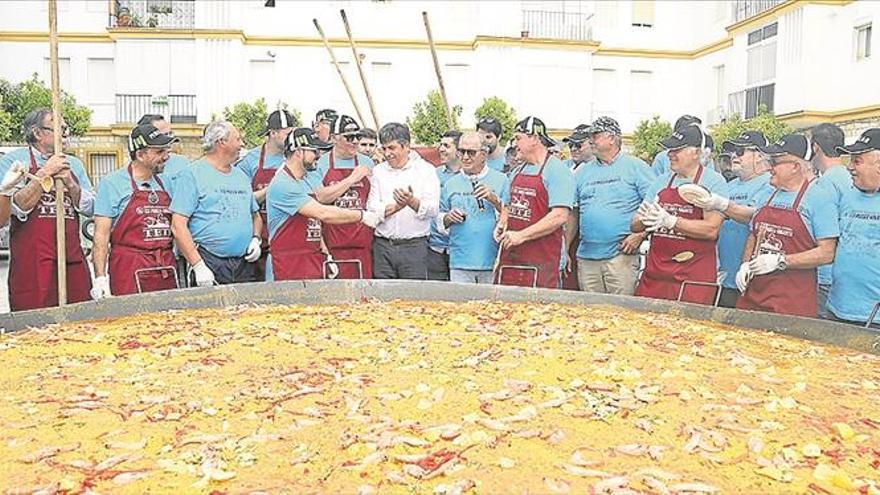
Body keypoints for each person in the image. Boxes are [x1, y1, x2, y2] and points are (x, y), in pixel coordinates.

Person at [735, 134, 839, 318]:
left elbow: (827, 253)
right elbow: (754, 234)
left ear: (795, 166)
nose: (770, 168)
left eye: (775, 162)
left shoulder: (819, 198)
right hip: (753, 296)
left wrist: (781, 261)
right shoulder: (767, 194)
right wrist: (744, 264)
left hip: (791, 303)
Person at [0, 109, 94, 311]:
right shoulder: (15, 162)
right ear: (37, 133)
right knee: (35, 318)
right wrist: (45, 173)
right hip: (32, 258)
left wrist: (71, 183)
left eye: (65, 127)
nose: (65, 132)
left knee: (80, 313)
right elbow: (17, 207)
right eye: (58, 127)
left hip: (70, 253)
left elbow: (89, 206)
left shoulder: (74, 164)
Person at [266, 128, 381, 281]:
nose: (318, 156)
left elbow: (312, 222)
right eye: (314, 151)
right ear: (299, 152)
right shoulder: (283, 184)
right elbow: (323, 213)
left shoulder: (307, 179)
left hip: (313, 257)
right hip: (289, 262)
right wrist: (362, 216)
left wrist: (326, 253)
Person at [632, 124, 729, 304]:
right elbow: (634, 224)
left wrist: (671, 221)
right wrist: (647, 220)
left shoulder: (714, 182)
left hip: (693, 279)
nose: (670, 154)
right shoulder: (661, 182)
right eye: (670, 150)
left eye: (677, 150)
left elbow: (711, 230)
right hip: (656, 276)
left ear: (696, 152)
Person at [91, 124, 179, 298]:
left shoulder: (168, 183)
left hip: (165, 266)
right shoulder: (112, 184)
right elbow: (101, 236)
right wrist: (100, 278)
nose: (166, 157)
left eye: (166, 151)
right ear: (140, 154)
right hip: (129, 267)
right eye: (159, 152)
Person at [567, 117, 653, 295]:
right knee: (591, 315)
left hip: (621, 256)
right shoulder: (582, 172)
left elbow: (655, 206)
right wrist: (565, 248)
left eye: (596, 135)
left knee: (621, 315)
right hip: (587, 257)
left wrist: (640, 235)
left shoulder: (636, 167)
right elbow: (573, 213)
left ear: (612, 138)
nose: (591, 140)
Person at [170, 121, 262, 286]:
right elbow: (178, 226)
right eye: (238, 139)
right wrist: (198, 265)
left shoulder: (241, 176)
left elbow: (255, 216)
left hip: (244, 263)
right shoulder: (192, 174)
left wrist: (256, 239)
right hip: (209, 261)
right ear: (221, 142)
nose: (242, 144)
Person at [693, 131, 773, 308]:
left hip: (749, 278)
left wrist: (723, 205)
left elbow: (755, 216)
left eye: (740, 151)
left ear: (760, 156)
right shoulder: (728, 185)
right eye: (732, 151)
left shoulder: (769, 183)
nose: (734, 156)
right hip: (722, 277)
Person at [495, 116, 574, 289]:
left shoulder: (557, 172)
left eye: (518, 138)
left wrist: (521, 235)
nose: (514, 144)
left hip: (542, 263)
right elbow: (507, 205)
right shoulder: (517, 171)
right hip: (511, 260)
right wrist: (502, 223)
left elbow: (559, 216)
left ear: (534, 139)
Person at [367, 122, 440, 279]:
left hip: (414, 247)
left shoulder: (425, 170)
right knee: (382, 299)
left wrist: (412, 202)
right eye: (384, 148)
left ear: (406, 146)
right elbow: (372, 209)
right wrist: (396, 207)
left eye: (392, 148)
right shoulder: (378, 172)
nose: (387, 154)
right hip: (383, 246)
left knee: (412, 298)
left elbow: (433, 209)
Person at [438, 131, 510, 284]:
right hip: (459, 262)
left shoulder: (502, 180)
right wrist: (448, 218)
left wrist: (493, 199)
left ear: (484, 154)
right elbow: (438, 221)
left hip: (492, 260)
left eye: (470, 152)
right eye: (461, 151)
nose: (465, 157)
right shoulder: (450, 183)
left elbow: (509, 217)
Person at [312, 115, 376, 279]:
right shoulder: (320, 164)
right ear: (334, 138)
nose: (355, 141)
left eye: (358, 136)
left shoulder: (367, 163)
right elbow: (320, 197)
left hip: (363, 244)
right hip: (333, 245)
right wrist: (351, 179)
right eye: (349, 137)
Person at [827, 128, 880, 326]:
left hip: (874, 317)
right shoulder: (847, 194)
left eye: (857, 161)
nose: (849, 167)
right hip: (837, 309)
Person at [237, 109, 295, 279]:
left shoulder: (294, 158)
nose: (291, 139)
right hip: (257, 236)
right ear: (273, 133)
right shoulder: (250, 161)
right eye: (287, 134)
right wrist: (272, 189)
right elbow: (243, 200)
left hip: (286, 235)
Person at [810, 123, 850, 317]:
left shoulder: (825, 183)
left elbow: (822, 230)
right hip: (843, 271)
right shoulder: (849, 177)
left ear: (815, 147)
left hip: (825, 273)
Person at [428, 130, 462, 281]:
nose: (441, 149)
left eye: (447, 146)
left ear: (459, 150)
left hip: (461, 250)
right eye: (440, 145)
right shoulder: (433, 174)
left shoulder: (471, 177)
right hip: (435, 248)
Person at [136, 114, 189, 192]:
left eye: (170, 133)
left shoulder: (182, 163)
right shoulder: (129, 176)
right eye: (163, 135)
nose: (169, 139)